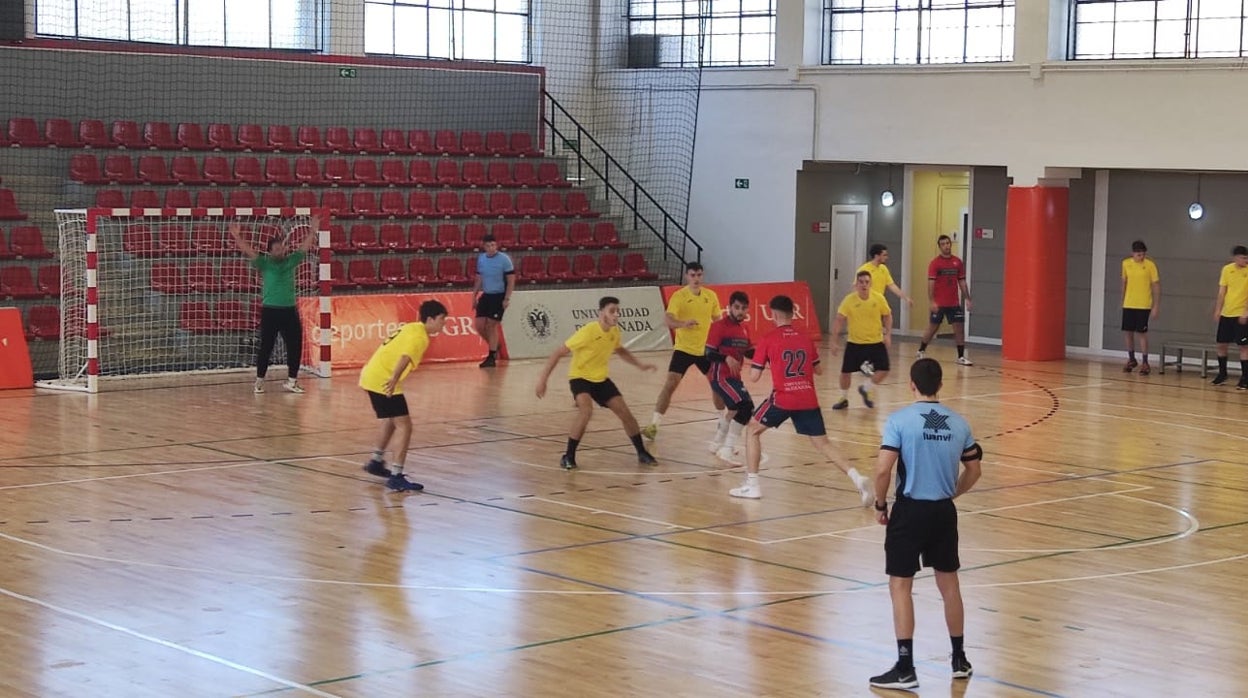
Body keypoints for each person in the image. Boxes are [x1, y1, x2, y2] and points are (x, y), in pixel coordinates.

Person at [869, 358, 983, 690]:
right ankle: (959, 659)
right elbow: (974, 470)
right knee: (950, 585)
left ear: (911, 384)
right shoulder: (959, 424)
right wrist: (952, 493)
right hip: (943, 512)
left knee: (900, 585)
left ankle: (905, 668)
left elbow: (883, 470)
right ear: (940, 385)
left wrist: (880, 504)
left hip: (910, 511)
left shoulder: (899, 421)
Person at [729, 294, 872, 503]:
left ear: (774, 315)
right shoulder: (806, 338)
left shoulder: (768, 339)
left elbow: (754, 376)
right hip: (807, 398)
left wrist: (763, 360)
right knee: (823, 443)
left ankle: (752, 485)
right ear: (792, 314)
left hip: (783, 398)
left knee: (752, 430)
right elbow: (819, 370)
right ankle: (857, 478)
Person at [536, 296, 658, 469]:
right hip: (580, 377)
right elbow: (558, 353)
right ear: (601, 313)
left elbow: (620, 350)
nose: (616, 315)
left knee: (625, 412)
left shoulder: (614, 332)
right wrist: (543, 380)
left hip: (601, 379)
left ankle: (641, 452)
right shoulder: (588, 331)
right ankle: (568, 456)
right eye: (612, 311)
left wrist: (640, 365)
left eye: (618, 311)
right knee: (586, 411)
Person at [360, 300, 449, 492]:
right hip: (383, 380)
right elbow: (405, 357)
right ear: (430, 319)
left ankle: (376, 461)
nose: (444, 323)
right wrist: (393, 379)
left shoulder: (411, 327)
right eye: (442, 319)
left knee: (390, 420)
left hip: (371, 375)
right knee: (405, 426)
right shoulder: (420, 337)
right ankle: (396, 476)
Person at [229, 217, 318, 394]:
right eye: (276, 249)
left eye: (281, 248)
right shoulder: (264, 263)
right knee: (266, 347)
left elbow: (304, 247)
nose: (280, 251)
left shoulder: (291, 260)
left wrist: (313, 231)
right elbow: (248, 251)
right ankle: (259, 381)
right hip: (271, 311)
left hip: (290, 311)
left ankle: (292, 381)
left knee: (295, 346)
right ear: (269, 251)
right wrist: (237, 236)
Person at [641, 262, 724, 441]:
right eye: (693, 275)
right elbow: (668, 320)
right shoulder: (679, 296)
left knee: (717, 384)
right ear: (687, 276)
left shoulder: (711, 296)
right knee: (670, 384)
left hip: (705, 350)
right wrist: (683, 324)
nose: (696, 278)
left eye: (699, 275)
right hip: (684, 349)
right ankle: (654, 425)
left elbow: (718, 321)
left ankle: (722, 421)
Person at [703, 290, 754, 464]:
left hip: (734, 377)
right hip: (720, 376)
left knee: (734, 410)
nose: (740, 311)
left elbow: (749, 352)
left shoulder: (744, 328)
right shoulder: (719, 326)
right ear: (729, 307)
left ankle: (716, 443)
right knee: (745, 407)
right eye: (737, 307)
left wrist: (768, 355)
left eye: (744, 308)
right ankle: (727, 449)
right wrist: (726, 358)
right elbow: (708, 353)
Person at [829, 270, 892, 410]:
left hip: (875, 342)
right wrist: (834, 341)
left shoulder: (878, 298)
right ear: (856, 284)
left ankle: (866, 388)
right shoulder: (849, 300)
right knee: (845, 372)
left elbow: (887, 315)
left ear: (871, 284)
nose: (864, 285)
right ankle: (843, 398)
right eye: (861, 282)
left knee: (884, 369)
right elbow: (839, 320)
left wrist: (888, 334)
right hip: (855, 343)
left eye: (867, 282)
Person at [917, 235, 973, 366]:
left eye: (948, 243)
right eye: (943, 244)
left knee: (959, 329)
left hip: (954, 303)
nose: (946, 246)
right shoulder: (935, 263)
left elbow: (962, 281)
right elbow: (931, 283)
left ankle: (960, 357)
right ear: (940, 247)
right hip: (939, 303)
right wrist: (932, 301)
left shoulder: (957, 262)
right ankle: (921, 350)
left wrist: (967, 298)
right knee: (933, 328)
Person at [471, 233, 515, 368]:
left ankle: (491, 356)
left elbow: (511, 280)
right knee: (479, 325)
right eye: (488, 245)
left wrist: (506, 298)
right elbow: (479, 278)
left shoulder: (504, 259)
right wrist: (474, 295)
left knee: (491, 325)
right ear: (484, 247)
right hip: (486, 295)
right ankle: (495, 346)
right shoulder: (482, 259)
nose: (491, 248)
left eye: (493, 245)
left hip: (499, 295)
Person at [1120, 240, 1161, 375]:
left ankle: (1145, 362)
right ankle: (1131, 359)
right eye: (1138, 255)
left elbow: (1156, 285)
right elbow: (1124, 282)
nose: (1141, 257)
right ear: (1133, 253)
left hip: (1143, 304)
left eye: (1143, 254)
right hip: (1129, 303)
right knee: (1128, 332)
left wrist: (1156, 305)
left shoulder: (1150, 265)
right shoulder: (1126, 264)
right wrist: (1122, 299)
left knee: (1141, 333)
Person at [1211, 245, 1248, 389]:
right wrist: (1218, 310)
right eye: (1243, 258)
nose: (1245, 260)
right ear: (1235, 258)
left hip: (1241, 313)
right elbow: (1222, 291)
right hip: (1227, 313)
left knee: (1243, 346)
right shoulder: (1227, 270)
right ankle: (1222, 374)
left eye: (1247, 258)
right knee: (1221, 344)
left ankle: (1245, 378)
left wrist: (1246, 311)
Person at [857, 243, 913, 308]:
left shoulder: (883, 269)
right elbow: (856, 287)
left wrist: (905, 298)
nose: (886, 257)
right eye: (884, 255)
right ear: (876, 256)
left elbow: (892, 285)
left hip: (879, 303)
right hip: (867, 304)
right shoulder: (864, 269)